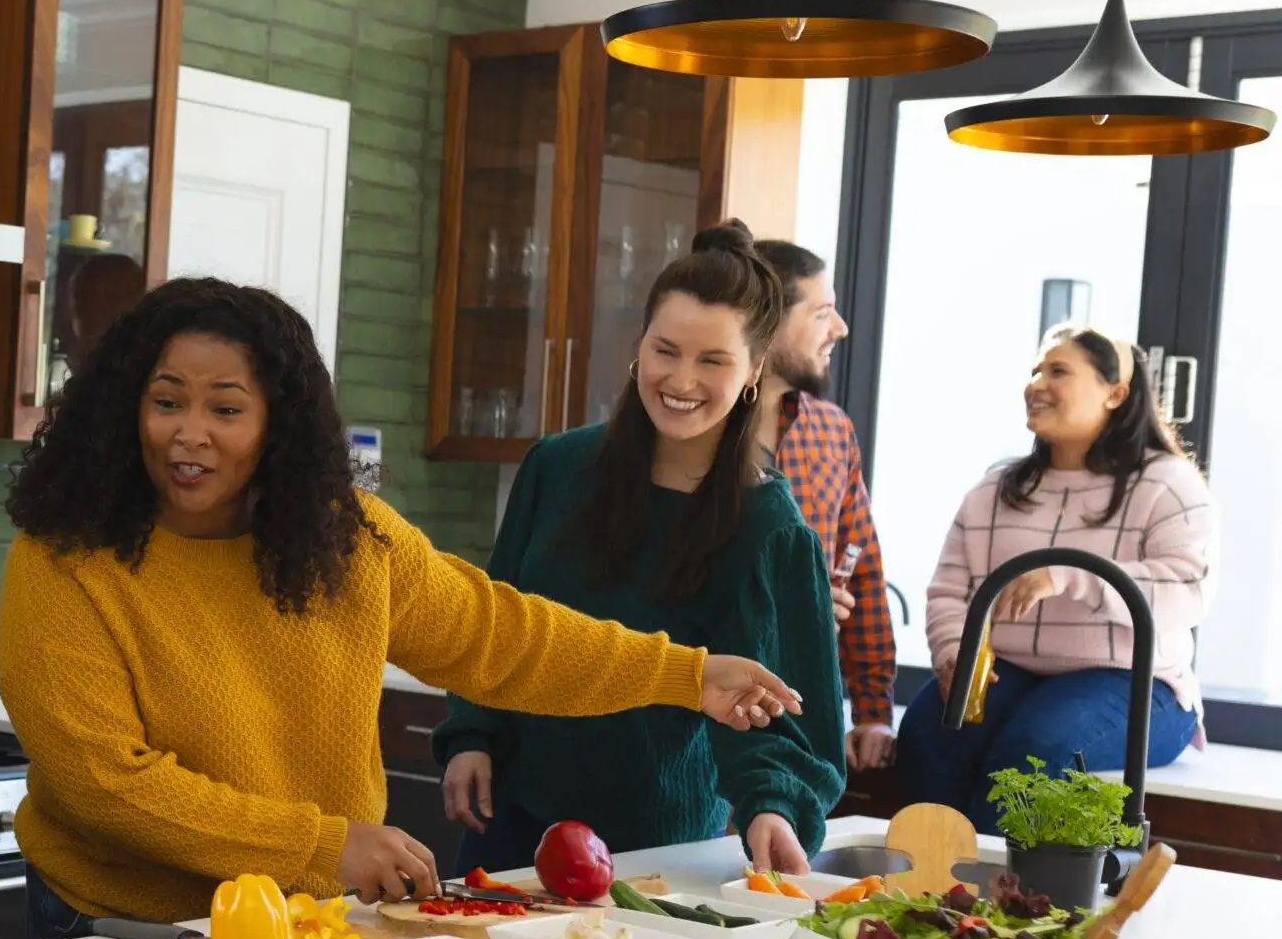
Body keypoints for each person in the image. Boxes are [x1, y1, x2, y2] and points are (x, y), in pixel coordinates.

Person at [0, 276, 806, 933]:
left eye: (227, 408)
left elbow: (504, 638)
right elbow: (106, 785)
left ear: (279, 425)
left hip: (307, 923)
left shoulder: (348, 542)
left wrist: (685, 673)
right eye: (167, 401)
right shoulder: (66, 559)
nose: (189, 433)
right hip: (113, 925)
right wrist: (323, 844)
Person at [437, 222, 846, 874]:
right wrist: (471, 734)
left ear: (754, 371)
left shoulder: (770, 528)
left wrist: (772, 807)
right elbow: (495, 619)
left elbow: (783, 714)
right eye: (667, 349)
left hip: (655, 851)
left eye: (713, 360)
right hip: (511, 820)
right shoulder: (555, 466)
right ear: (639, 349)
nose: (681, 379)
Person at [898, 326, 1216, 830]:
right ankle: (922, 891)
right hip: (1013, 670)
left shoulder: (1167, 483)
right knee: (929, 734)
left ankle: (994, 900)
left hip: (1134, 681)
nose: (1037, 383)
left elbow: (1187, 594)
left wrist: (1070, 576)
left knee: (1034, 750)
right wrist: (954, 653)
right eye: (1035, 370)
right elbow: (950, 591)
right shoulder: (995, 489)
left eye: (1058, 371)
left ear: (1116, 393)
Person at [754, 236, 898, 774]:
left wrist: (872, 711)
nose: (839, 329)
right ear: (766, 320)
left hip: (802, 719)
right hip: (703, 711)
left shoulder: (832, 430)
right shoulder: (698, 433)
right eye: (822, 313)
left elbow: (861, 566)